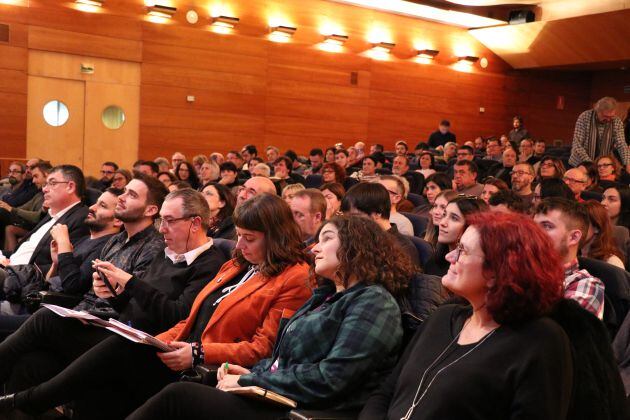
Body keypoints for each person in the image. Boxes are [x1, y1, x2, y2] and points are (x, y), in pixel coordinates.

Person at [0, 194, 312, 418]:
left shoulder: (293, 278)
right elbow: (191, 318)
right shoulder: (237, 265)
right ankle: (20, 403)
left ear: (276, 237)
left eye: (249, 239)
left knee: (116, 348)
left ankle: (21, 401)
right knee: (41, 361)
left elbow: (263, 347)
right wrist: (160, 340)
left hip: (207, 366)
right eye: (239, 236)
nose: (239, 246)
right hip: (176, 347)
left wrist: (197, 353)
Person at [129, 214, 413, 420]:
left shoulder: (374, 302)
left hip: (304, 410)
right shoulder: (323, 297)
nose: (314, 247)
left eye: (327, 239)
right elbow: (281, 360)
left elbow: (332, 379)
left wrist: (253, 381)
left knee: (179, 398)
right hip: (277, 397)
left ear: (357, 247)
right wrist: (254, 374)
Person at [360, 212, 572, 420]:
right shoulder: (444, 317)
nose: (449, 256)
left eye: (462, 250)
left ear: (498, 271)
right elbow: (387, 391)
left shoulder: (540, 340)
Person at [0, 165, 90, 313]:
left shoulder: (81, 218)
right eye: (46, 184)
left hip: (24, 284)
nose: (44, 189)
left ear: (70, 186)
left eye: (52, 183)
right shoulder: (53, 214)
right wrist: (7, 258)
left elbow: (64, 264)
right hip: (11, 269)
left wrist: (15, 269)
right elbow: (29, 247)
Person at [533, 198, 605, 319]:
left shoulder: (587, 286)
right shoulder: (525, 269)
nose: (534, 232)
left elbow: (549, 335)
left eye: (547, 226)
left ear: (573, 237)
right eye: (533, 225)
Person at [341, 183, 420, 267]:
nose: (349, 222)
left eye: (354, 217)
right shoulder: (355, 239)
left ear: (377, 213)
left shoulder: (402, 248)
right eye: (346, 217)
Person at [424, 195, 488, 276]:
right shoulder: (433, 262)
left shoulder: (472, 273)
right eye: (444, 215)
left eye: (454, 218)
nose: (442, 223)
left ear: (471, 226)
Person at [569, 97, 629, 170]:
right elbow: (577, 145)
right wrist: (591, 164)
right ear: (597, 111)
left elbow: (621, 144)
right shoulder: (584, 117)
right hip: (580, 163)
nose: (608, 120)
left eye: (611, 117)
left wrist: (628, 162)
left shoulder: (616, 121)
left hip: (602, 165)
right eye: (605, 116)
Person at [581, 201, 625, 269]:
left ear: (597, 228)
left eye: (582, 224)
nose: (574, 229)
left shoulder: (612, 262)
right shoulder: (573, 255)